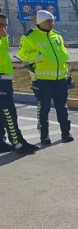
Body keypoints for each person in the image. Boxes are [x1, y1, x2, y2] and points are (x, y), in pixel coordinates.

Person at [18, 10, 73, 145]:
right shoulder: (29, 37)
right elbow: (22, 54)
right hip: (43, 81)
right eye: (48, 21)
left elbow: (63, 53)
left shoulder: (57, 36)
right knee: (44, 108)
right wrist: (39, 56)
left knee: (62, 107)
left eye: (52, 21)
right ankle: (44, 136)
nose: (51, 24)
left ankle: (66, 133)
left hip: (60, 79)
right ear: (40, 22)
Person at [0, 13, 37, 155]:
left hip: (4, 80)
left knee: (1, 114)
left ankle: (1, 143)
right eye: (0, 25)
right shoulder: (2, 41)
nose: (4, 30)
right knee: (8, 112)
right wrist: (4, 39)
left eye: (5, 26)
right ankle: (18, 143)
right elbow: (2, 55)